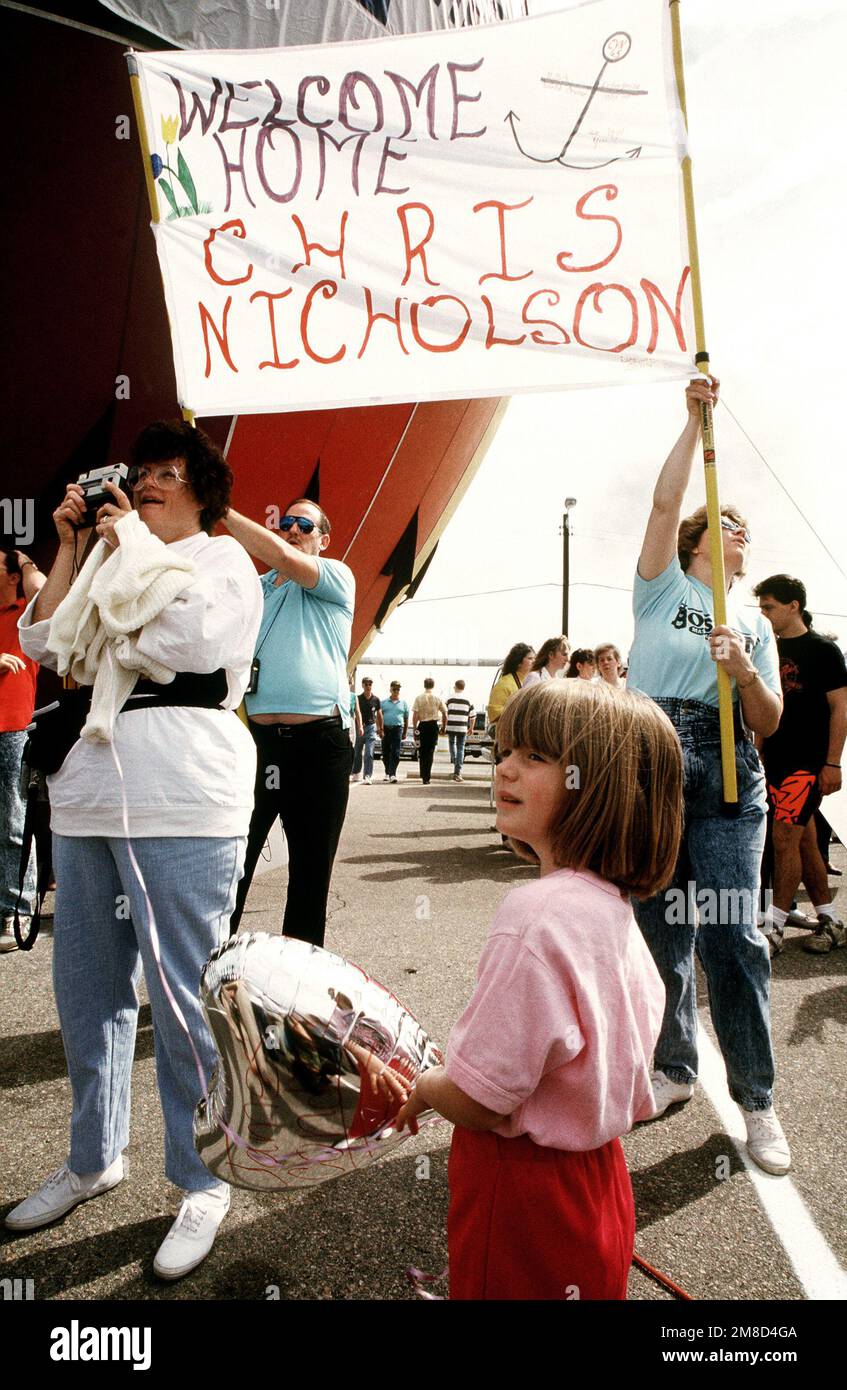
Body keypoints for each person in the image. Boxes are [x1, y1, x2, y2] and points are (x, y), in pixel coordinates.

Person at [7, 421, 263, 1279]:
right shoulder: (111, 553)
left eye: (163, 473)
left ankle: (202, 1179)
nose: (145, 484)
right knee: (86, 987)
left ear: (203, 490)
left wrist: (126, 551)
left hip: (184, 792)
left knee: (187, 994)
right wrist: (73, 543)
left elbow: (187, 644)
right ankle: (92, 1157)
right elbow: (49, 642)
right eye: (138, 472)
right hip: (89, 792)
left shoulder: (221, 559)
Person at [393, 680, 681, 1300]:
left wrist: (423, 1084)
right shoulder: (614, 913)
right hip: (600, 1186)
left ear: (596, 786)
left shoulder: (534, 915)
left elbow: (481, 1099)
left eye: (536, 757)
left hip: (522, 1196)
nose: (504, 767)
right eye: (505, 751)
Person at [627, 376, 790, 1176]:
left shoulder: (754, 621)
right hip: (656, 754)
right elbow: (660, 507)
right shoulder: (662, 586)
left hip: (729, 768)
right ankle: (674, 1069)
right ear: (699, 536)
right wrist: (693, 424)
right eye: (723, 521)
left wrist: (745, 674)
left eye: (744, 527)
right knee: (661, 932)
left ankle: (756, 1102)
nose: (737, 529)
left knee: (733, 934)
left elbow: (768, 723)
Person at [224, 498, 355, 946]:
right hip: (260, 744)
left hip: (319, 746)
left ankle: (298, 988)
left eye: (305, 524)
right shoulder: (256, 588)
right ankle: (207, 969)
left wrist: (220, 509)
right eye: (286, 523)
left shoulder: (336, 576)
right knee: (233, 861)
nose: (293, 530)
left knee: (309, 872)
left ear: (323, 539)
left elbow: (282, 557)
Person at [754, 574, 847, 956]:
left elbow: (840, 707)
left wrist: (832, 763)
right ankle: (831, 920)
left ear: (793, 606)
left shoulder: (823, 650)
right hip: (772, 759)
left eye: (769, 607)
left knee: (784, 839)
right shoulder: (767, 646)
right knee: (805, 842)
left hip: (806, 764)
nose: (763, 613)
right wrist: (757, 751)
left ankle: (773, 929)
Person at [0, 546, 44, 950]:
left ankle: (19, 909)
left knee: (15, 822)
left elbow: (44, 593)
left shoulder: (25, 612)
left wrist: (24, 561)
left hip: (13, 730)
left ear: (12, 576)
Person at [486, 643, 534, 728]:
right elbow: (494, 713)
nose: (534, 661)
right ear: (518, 662)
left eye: (535, 658)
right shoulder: (504, 683)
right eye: (530, 658)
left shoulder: (533, 681)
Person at [412, 677, 447, 786]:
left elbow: (415, 715)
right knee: (430, 752)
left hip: (422, 725)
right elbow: (445, 714)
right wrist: (444, 727)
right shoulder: (437, 698)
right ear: (433, 685)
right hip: (433, 726)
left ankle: (423, 775)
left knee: (422, 751)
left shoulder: (419, 698)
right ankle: (427, 776)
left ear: (424, 685)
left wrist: (414, 728)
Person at [351, 676, 383, 784]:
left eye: (370, 684)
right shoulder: (358, 698)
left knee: (369, 752)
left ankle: (367, 775)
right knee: (357, 752)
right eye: (366, 684)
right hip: (360, 727)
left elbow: (379, 714)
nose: (368, 686)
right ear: (362, 685)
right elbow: (355, 712)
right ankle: (356, 772)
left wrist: (381, 728)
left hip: (371, 728)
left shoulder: (376, 700)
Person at [445, 679, 475, 781]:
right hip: (462, 727)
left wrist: (443, 726)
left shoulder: (449, 698)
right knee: (461, 748)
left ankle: (454, 760)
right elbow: (473, 716)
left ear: (455, 686)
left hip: (451, 726)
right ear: (463, 687)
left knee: (451, 743)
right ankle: (457, 772)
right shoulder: (468, 699)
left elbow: (445, 713)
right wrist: (471, 727)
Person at [380, 680, 408, 782]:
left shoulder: (404, 703)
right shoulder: (383, 703)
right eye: (394, 688)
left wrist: (405, 732)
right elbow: (378, 717)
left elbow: (406, 718)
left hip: (397, 729)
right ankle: (387, 772)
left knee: (395, 752)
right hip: (386, 729)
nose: (396, 691)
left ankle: (392, 774)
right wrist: (380, 729)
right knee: (385, 751)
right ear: (390, 689)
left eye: (398, 689)